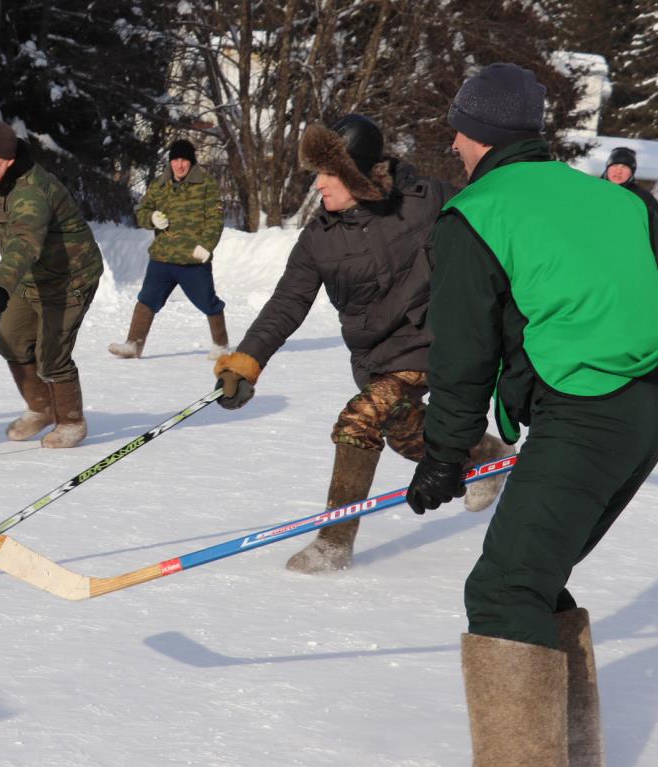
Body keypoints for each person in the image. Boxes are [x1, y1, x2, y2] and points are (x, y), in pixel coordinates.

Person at [398, 63, 658, 767]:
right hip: (643, 412)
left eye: (457, 128)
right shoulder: (610, 197)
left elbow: (459, 357)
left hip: (585, 412)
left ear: (475, 133)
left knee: (502, 588)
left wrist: (442, 453)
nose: (454, 143)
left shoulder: (476, 214)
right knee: (535, 576)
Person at [213, 114, 508, 573]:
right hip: (379, 359)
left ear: (357, 173)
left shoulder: (425, 200)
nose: (319, 184)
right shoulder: (318, 240)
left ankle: (333, 543)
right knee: (410, 437)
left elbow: (498, 215)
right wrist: (247, 361)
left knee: (359, 420)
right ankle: (486, 454)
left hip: (439, 340)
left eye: (329, 173)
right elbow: (288, 302)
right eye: (317, 173)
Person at [0, 120, 103, 449]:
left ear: (9, 160)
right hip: (32, 275)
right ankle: (41, 407)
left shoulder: (31, 192)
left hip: (69, 277)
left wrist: (1, 287)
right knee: (10, 337)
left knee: (52, 354)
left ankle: (71, 421)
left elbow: (24, 243)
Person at [109, 139, 227, 359]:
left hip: (193, 259)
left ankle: (221, 345)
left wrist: (206, 246)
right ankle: (133, 345)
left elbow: (215, 218)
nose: (179, 165)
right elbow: (142, 211)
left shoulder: (205, 184)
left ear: (191, 162)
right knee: (147, 300)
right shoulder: (159, 184)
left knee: (208, 301)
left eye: (184, 160)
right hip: (162, 258)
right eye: (175, 160)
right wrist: (151, 218)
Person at [601, 145, 658, 221]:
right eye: (615, 165)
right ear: (607, 168)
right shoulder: (593, 190)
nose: (619, 171)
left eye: (625, 167)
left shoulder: (642, 197)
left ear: (632, 173)